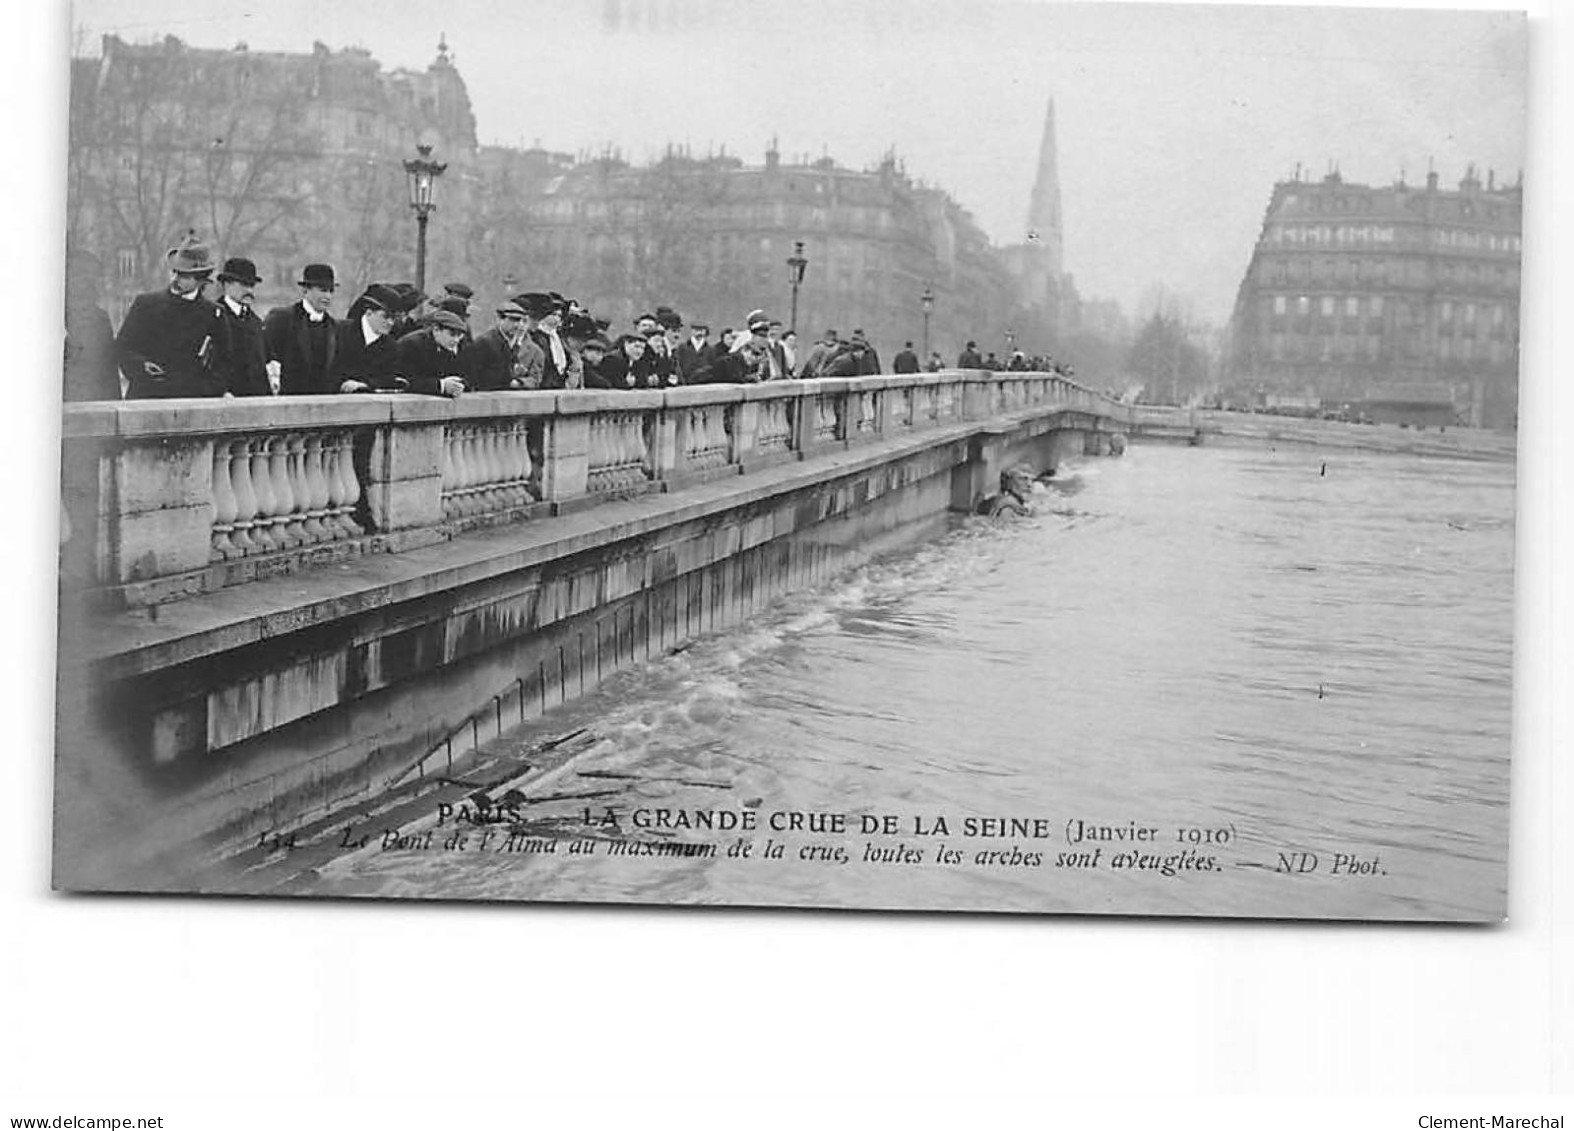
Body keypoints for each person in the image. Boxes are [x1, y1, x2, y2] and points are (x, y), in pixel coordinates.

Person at [115, 233, 231, 399]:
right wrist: (141, 365)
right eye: (174, 272)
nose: (175, 279)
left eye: (184, 275)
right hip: (147, 399)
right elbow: (123, 347)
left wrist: (204, 390)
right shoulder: (146, 304)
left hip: (190, 405)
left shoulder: (214, 314)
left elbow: (224, 364)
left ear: (200, 280)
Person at [264, 263, 338, 395]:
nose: (328, 296)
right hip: (288, 402)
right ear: (305, 290)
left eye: (331, 291)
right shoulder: (281, 319)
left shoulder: (334, 327)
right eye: (322, 290)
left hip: (323, 405)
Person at [63, 250, 120, 402]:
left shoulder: (99, 319)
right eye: (81, 280)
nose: (88, 286)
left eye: (91, 281)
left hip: (91, 405)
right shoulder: (44, 320)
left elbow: (108, 372)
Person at [330, 283, 404, 393]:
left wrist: (365, 385)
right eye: (386, 316)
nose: (390, 323)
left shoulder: (391, 346)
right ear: (369, 313)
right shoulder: (338, 332)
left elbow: (387, 378)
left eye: (393, 318)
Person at [215, 256, 271, 396]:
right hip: (225, 403)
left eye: (252, 285)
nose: (250, 291)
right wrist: (220, 391)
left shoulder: (256, 323)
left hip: (256, 403)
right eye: (244, 285)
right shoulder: (213, 318)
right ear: (227, 284)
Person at [389, 309, 469, 397]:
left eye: (459, 336)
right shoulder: (411, 345)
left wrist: (458, 384)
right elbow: (403, 381)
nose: (456, 340)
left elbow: (462, 376)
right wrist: (440, 385)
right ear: (436, 330)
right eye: (452, 334)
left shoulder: (451, 347)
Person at [467, 300, 537, 391]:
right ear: (500, 319)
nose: (517, 325)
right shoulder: (485, 342)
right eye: (512, 320)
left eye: (519, 320)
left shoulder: (511, 343)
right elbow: (475, 376)